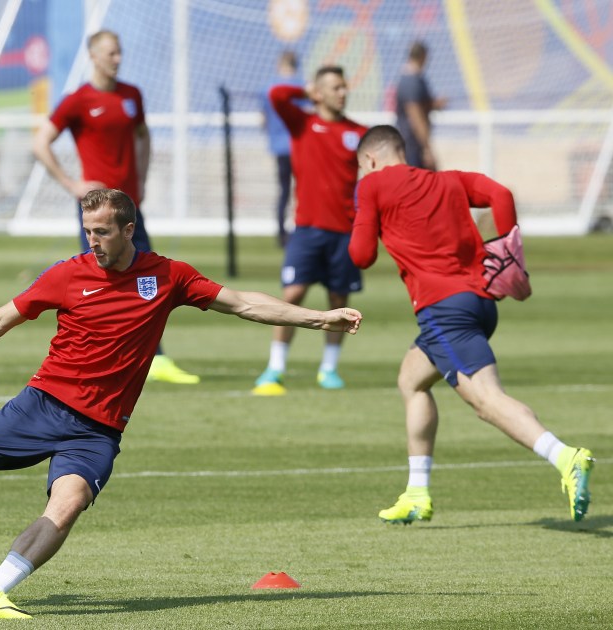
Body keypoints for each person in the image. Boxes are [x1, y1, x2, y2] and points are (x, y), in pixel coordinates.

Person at [0, 188, 362, 618]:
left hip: (99, 431)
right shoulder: (67, 275)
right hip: (44, 405)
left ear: (128, 229)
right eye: (87, 230)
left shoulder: (168, 275)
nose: (92, 240)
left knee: (68, 503)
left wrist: (319, 318)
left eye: (102, 231)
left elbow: (242, 303)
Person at [349, 125, 594, 524]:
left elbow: (361, 256)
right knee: (411, 381)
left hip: (443, 309)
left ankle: (565, 456)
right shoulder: (449, 181)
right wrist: (507, 251)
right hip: (480, 302)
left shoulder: (372, 185)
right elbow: (501, 194)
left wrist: (364, 220)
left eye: (361, 168)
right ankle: (416, 493)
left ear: (371, 159)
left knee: (486, 401)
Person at [32, 29, 199, 385]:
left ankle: (153, 357)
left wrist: (143, 178)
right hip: (99, 213)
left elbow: (143, 134)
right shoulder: (77, 99)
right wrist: (71, 184)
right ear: (93, 56)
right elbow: (41, 141)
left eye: (120, 52)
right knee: (98, 284)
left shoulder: (131, 95)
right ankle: (96, 358)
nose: (117, 59)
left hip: (130, 209)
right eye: (110, 53)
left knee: (149, 280)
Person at [253, 66, 368, 394]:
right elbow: (277, 94)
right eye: (335, 87)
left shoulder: (358, 132)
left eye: (344, 87)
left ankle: (328, 370)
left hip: (345, 231)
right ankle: (275, 368)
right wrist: (309, 92)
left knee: (338, 299)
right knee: (292, 295)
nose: (342, 93)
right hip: (307, 230)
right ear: (319, 92)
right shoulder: (302, 122)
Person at [262, 51, 302, 247]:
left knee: (284, 190)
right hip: (299, 145)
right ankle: (303, 229)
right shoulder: (301, 86)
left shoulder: (268, 87)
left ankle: (280, 232)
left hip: (278, 146)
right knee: (302, 190)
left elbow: (263, 119)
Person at [394, 41, 446, 171]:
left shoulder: (414, 78)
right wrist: (427, 148)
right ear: (423, 56)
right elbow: (415, 116)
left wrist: (434, 104)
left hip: (412, 142)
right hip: (412, 144)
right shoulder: (411, 80)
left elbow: (419, 105)